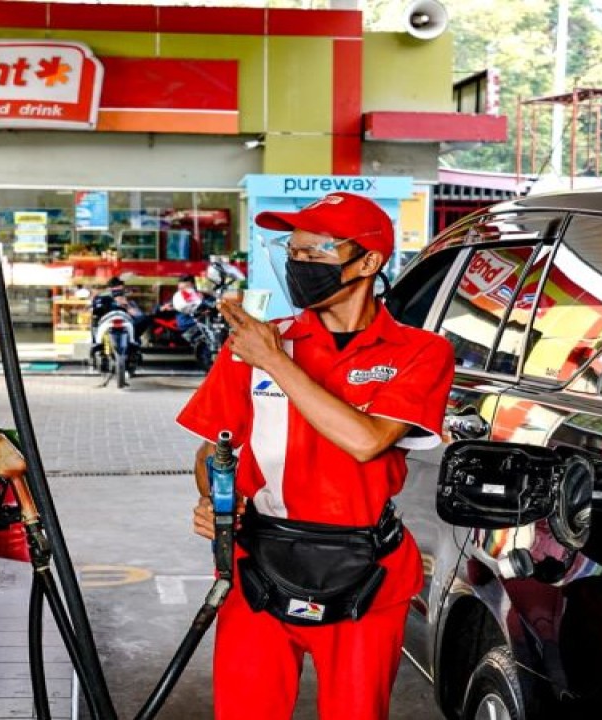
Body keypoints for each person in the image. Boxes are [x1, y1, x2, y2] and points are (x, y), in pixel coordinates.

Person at [176, 191, 455, 719]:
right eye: (293, 252)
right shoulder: (260, 341)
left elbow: (368, 440)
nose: (298, 266)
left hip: (366, 574)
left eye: (316, 252)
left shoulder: (419, 352)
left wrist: (275, 363)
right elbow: (215, 447)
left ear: (368, 261)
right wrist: (215, 499)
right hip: (257, 567)